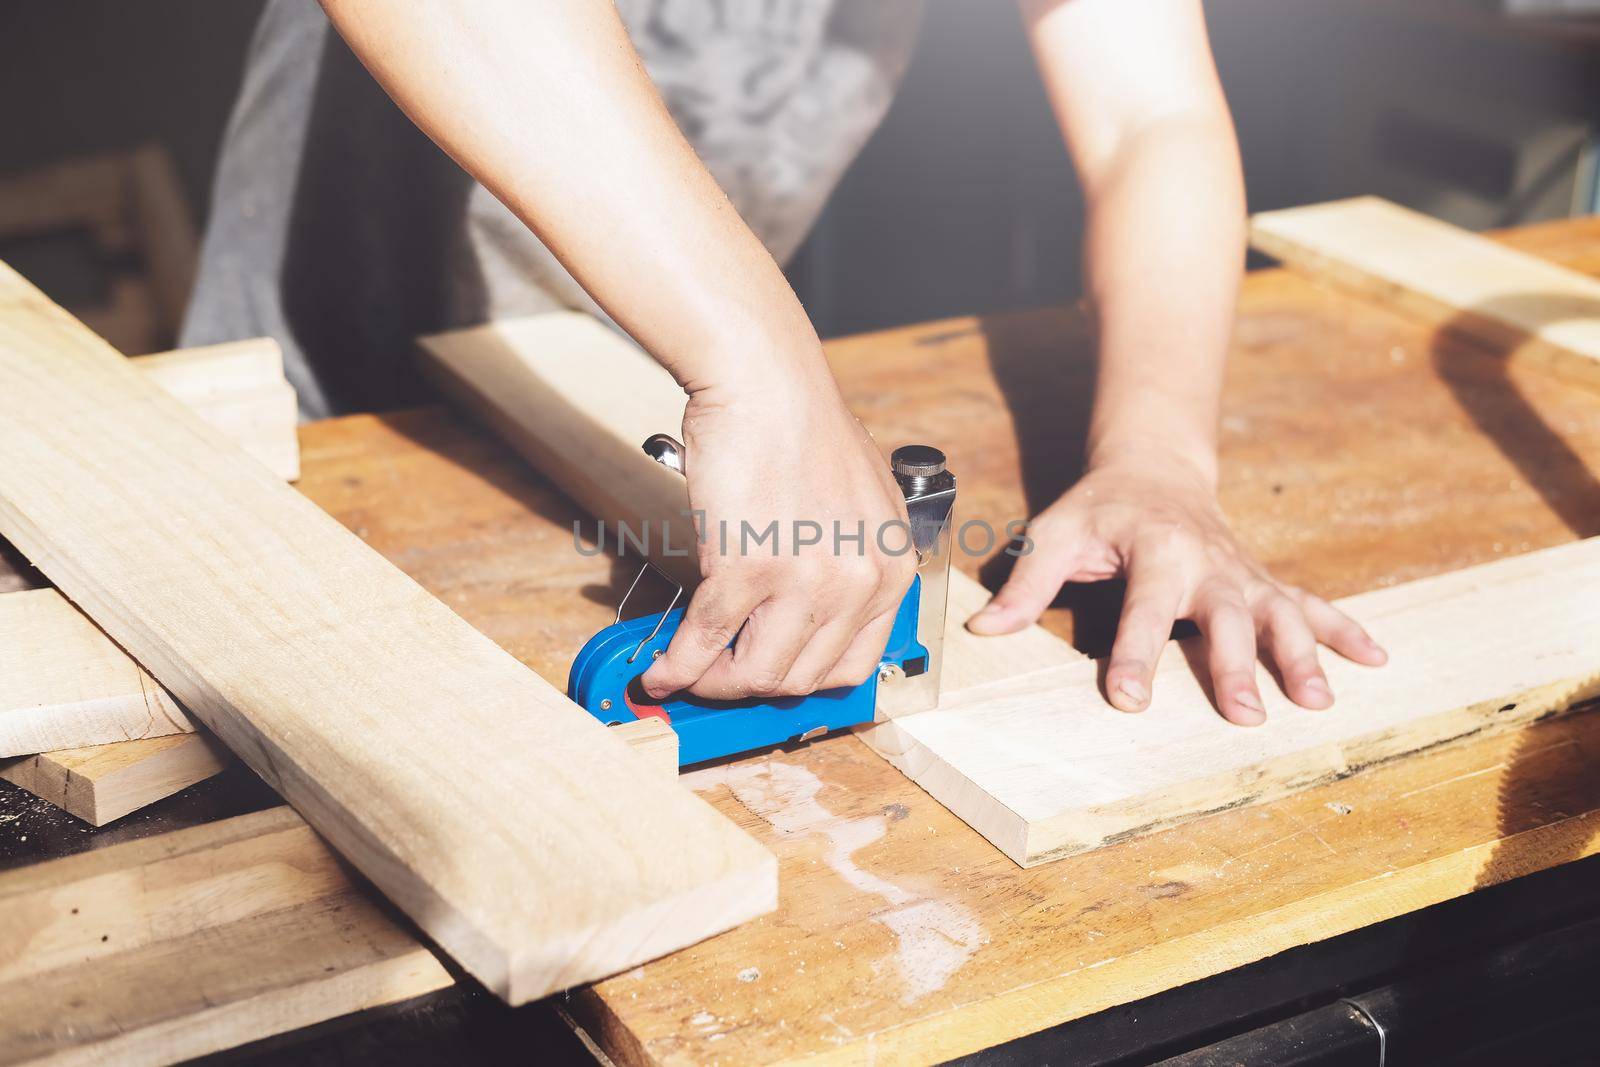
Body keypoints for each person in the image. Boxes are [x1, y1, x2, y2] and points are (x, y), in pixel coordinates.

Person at [184, 0, 1386, 726]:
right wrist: (764, 366)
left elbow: (1150, 118)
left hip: (693, 412)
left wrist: (1160, 456)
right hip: (339, 409)